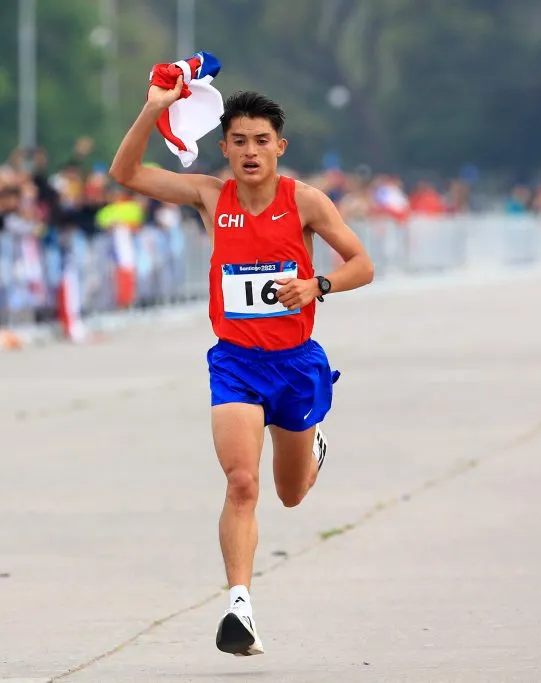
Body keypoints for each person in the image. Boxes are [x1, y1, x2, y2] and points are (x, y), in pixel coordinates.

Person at [109, 79, 375, 656]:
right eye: (238, 141)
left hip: (296, 363)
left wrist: (316, 284)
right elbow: (126, 175)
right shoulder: (211, 197)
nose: (250, 151)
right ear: (224, 148)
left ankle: (313, 450)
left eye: (261, 140)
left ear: (280, 147)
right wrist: (152, 108)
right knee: (241, 482)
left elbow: (363, 264)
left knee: (291, 493)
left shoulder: (305, 202)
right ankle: (239, 605)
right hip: (235, 363)